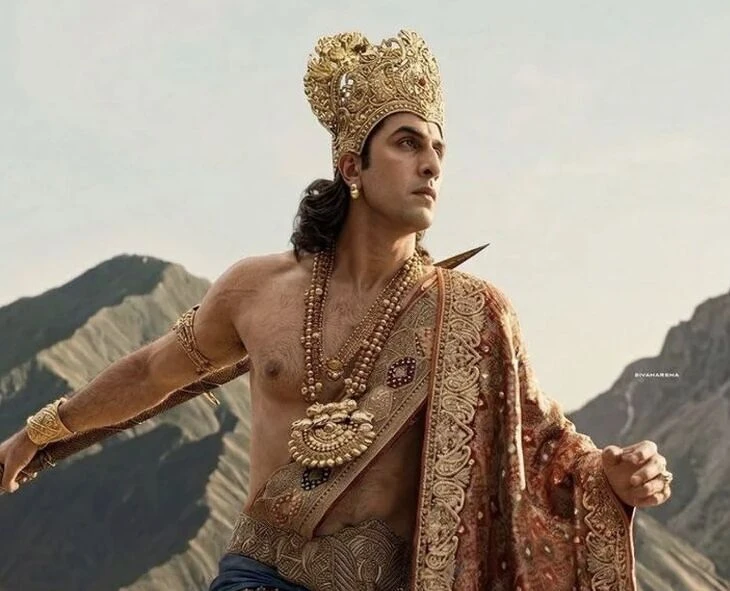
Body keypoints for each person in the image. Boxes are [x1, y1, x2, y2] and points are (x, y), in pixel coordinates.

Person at [0, 30, 673, 591]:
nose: (432, 165)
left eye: (438, 149)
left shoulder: (472, 314)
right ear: (352, 167)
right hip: (257, 576)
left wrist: (610, 476)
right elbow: (153, 371)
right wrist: (36, 433)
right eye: (407, 143)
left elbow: (544, 446)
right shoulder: (254, 290)